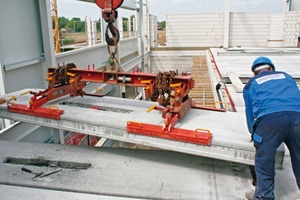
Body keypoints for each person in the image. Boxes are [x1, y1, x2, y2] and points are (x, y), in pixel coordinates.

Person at [243, 56, 300, 200]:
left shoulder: (251, 84)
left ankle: (264, 196)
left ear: (254, 73)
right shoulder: (286, 77)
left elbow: (250, 113)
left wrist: (255, 133)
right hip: (298, 118)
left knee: (264, 162)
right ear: (272, 68)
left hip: (269, 121)